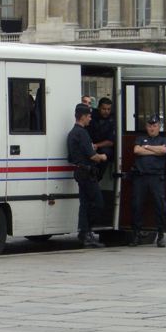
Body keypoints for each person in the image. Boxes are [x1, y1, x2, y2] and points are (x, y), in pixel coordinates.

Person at [67, 103, 107, 247]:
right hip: (87, 172)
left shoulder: (72, 133)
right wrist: (102, 157)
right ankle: (87, 232)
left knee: (84, 204)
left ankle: (84, 233)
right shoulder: (82, 133)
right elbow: (92, 156)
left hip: (79, 171)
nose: (90, 119)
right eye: (89, 116)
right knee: (97, 203)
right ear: (83, 116)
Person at [130, 114, 166, 248]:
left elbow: (164, 150)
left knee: (160, 206)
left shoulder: (164, 139)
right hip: (141, 177)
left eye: (154, 126)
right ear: (146, 127)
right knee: (137, 205)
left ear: (159, 126)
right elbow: (136, 150)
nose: (152, 128)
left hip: (156, 177)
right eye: (149, 126)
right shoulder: (140, 138)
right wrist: (154, 150)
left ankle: (161, 235)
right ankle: (136, 235)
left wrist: (146, 148)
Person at [88, 97, 116, 161]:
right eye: (104, 109)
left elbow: (110, 142)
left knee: (105, 152)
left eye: (108, 109)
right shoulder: (91, 116)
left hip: (105, 148)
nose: (106, 111)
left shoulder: (113, 120)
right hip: (91, 145)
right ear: (99, 108)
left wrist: (96, 145)